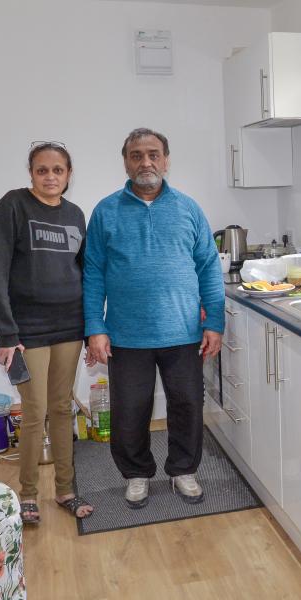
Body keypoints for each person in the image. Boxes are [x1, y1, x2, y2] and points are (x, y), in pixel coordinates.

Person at [83, 128, 225, 508]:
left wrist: (215, 322)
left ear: (166, 159)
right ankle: (136, 474)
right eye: (136, 155)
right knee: (130, 410)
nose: (145, 162)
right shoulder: (105, 211)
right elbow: (93, 272)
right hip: (127, 335)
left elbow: (210, 267)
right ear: (126, 161)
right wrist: (95, 328)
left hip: (183, 332)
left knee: (187, 405)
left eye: (153, 154)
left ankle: (183, 470)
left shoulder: (189, 209)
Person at [0, 141, 93, 523]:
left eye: (58, 170)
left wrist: (93, 327)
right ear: (31, 173)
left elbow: (87, 272)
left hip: (70, 325)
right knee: (35, 412)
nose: (50, 177)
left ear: (68, 174)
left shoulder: (76, 214)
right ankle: (28, 495)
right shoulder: (13, 206)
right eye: (42, 170)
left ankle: (66, 490)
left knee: (62, 408)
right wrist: (5, 332)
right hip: (26, 330)